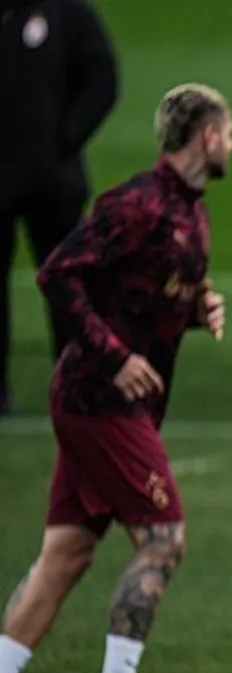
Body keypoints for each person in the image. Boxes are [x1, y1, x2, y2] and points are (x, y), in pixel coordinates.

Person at [0, 83, 232, 673]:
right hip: (98, 400)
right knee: (163, 538)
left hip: (118, 403)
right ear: (206, 136)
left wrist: (198, 308)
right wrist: (115, 356)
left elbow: (149, 292)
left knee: (65, 556)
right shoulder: (137, 203)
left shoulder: (191, 211)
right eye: (229, 131)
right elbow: (57, 274)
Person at [0, 0, 119, 416]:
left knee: (66, 285)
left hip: (53, 182)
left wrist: (65, 139)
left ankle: (75, 389)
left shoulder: (67, 12)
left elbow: (102, 78)